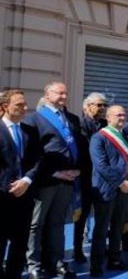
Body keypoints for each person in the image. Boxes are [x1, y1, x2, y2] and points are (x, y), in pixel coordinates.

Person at [23, 82, 81, 279]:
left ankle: (55, 261)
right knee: (36, 224)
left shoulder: (71, 119)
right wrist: (55, 173)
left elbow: (76, 146)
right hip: (45, 181)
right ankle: (33, 264)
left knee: (57, 223)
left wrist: (75, 170)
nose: (64, 96)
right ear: (47, 95)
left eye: (66, 93)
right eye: (59, 93)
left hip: (67, 180)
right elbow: (33, 154)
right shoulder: (34, 120)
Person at [88, 105, 128, 277]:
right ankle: (96, 265)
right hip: (106, 190)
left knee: (118, 227)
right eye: (118, 115)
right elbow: (101, 165)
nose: (122, 117)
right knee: (101, 229)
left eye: (124, 115)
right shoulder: (99, 137)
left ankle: (114, 259)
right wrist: (120, 182)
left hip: (125, 190)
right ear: (108, 117)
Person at [1, 89, 41, 279]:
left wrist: (26, 180)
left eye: (25, 104)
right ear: (4, 107)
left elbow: (38, 160)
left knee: (19, 243)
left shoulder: (29, 131)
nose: (25, 108)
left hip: (24, 197)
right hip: (2, 197)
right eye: (19, 105)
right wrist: (9, 186)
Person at [73, 92, 108, 263]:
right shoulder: (78, 125)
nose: (102, 108)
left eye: (104, 105)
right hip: (85, 177)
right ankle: (78, 249)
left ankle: (100, 248)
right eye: (99, 105)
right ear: (87, 106)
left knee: (102, 216)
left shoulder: (105, 124)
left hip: (102, 179)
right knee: (81, 216)